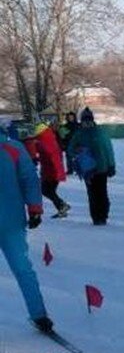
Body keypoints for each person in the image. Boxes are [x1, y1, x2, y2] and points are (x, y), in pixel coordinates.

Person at [0, 119, 53, 332]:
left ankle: (39, 315)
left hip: (10, 219)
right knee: (23, 269)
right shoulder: (14, 148)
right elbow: (30, 179)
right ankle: (39, 315)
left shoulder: (14, 148)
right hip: (11, 220)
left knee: (23, 268)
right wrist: (35, 209)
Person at [67, 108, 116, 225]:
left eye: (88, 120)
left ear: (93, 120)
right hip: (88, 170)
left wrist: (111, 165)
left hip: (102, 168)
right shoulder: (79, 134)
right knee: (92, 194)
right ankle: (96, 217)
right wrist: (77, 151)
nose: (87, 123)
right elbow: (70, 149)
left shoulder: (100, 132)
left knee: (102, 193)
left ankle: (103, 215)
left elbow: (108, 149)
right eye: (85, 121)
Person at [25, 122, 69, 217]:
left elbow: (45, 152)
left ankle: (62, 206)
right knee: (49, 191)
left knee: (46, 190)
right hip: (53, 170)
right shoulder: (49, 138)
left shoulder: (43, 141)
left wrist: (34, 155)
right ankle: (62, 208)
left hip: (51, 171)